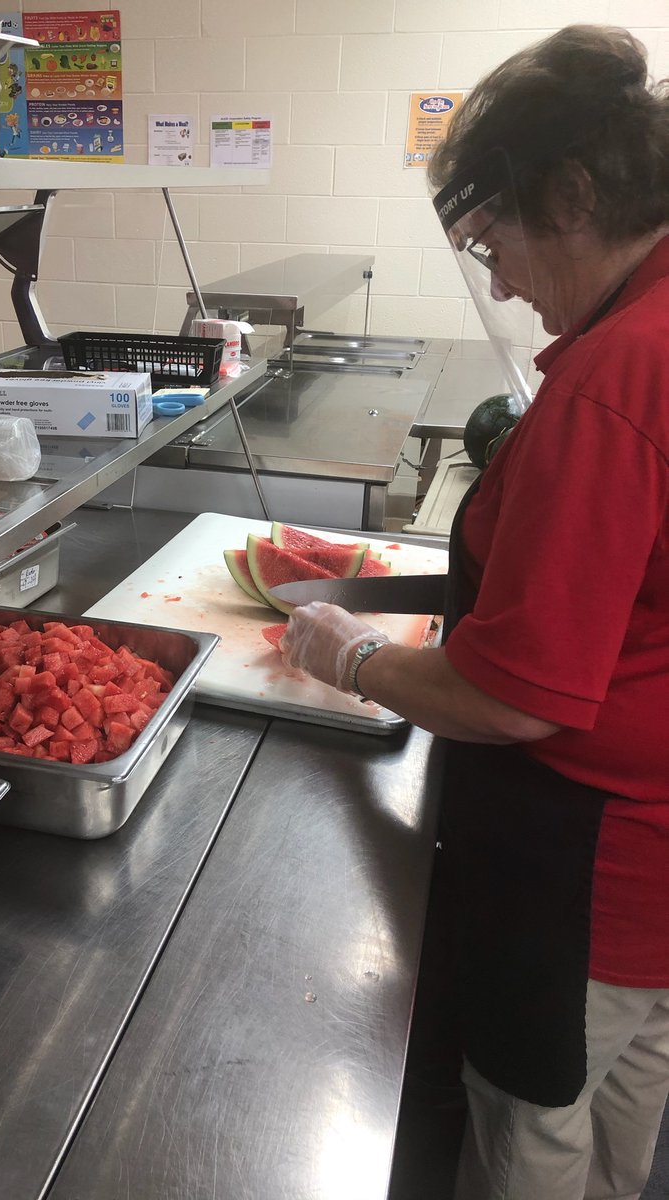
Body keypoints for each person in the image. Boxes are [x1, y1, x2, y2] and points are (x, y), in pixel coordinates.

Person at [280, 25, 669, 1200]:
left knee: (530, 1142)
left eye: (493, 235)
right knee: (623, 1125)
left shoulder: (616, 377)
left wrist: (351, 657)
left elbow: (514, 699)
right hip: (655, 869)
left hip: (583, 877)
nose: (495, 277)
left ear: (575, 193)